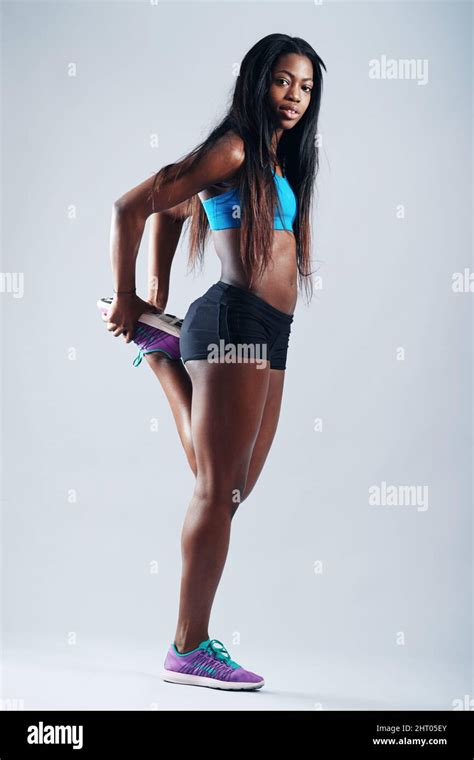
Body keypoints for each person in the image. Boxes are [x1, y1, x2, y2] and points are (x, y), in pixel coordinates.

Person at [99, 32, 326, 691]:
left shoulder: (281, 164)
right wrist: (133, 295)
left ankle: (162, 352)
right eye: (284, 81)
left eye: (306, 87)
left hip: (271, 331)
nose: (294, 97)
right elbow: (136, 205)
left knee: (233, 484)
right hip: (232, 319)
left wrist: (160, 297)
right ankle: (187, 645)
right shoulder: (233, 148)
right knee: (216, 489)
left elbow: (176, 210)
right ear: (259, 82)